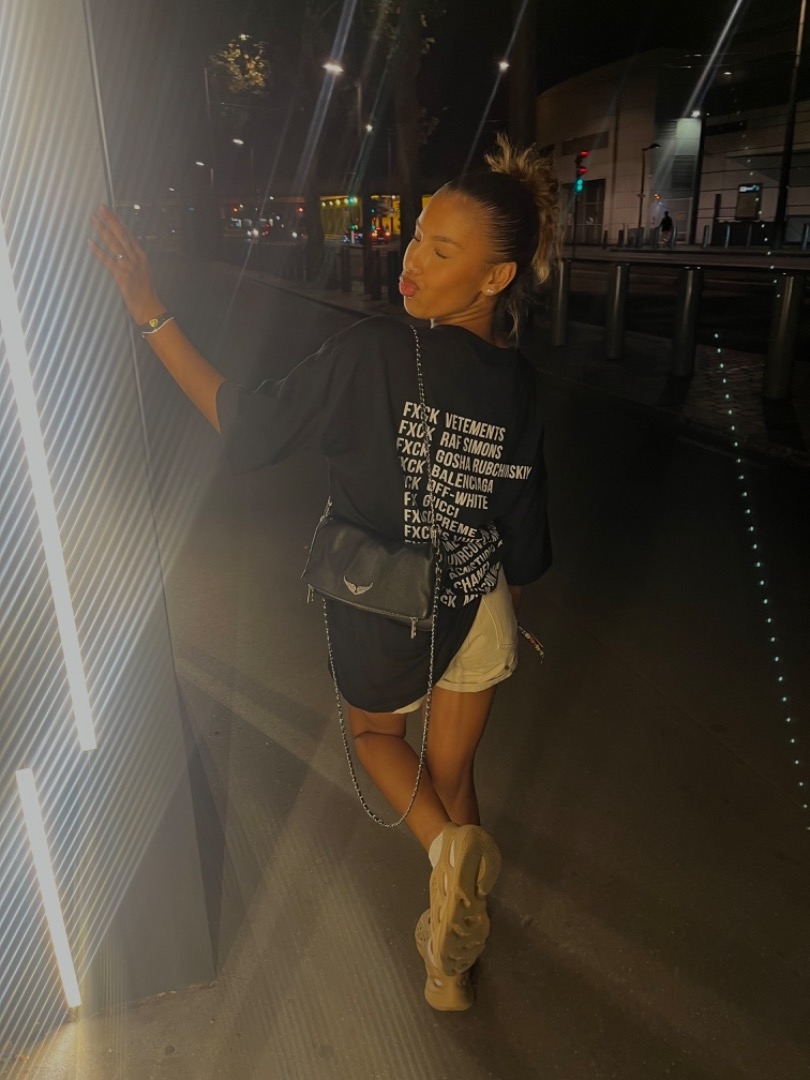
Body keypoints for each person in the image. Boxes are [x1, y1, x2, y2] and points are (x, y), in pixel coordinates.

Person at [89, 134, 558, 1012]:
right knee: (455, 778)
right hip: (481, 601)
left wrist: (150, 313)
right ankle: (451, 966)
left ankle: (445, 854)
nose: (411, 259)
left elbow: (250, 425)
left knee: (379, 740)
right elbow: (523, 526)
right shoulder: (521, 384)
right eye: (416, 235)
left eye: (441, 250)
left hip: (389, 605)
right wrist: (507, 606)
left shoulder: (376, 351)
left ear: (496, 277)